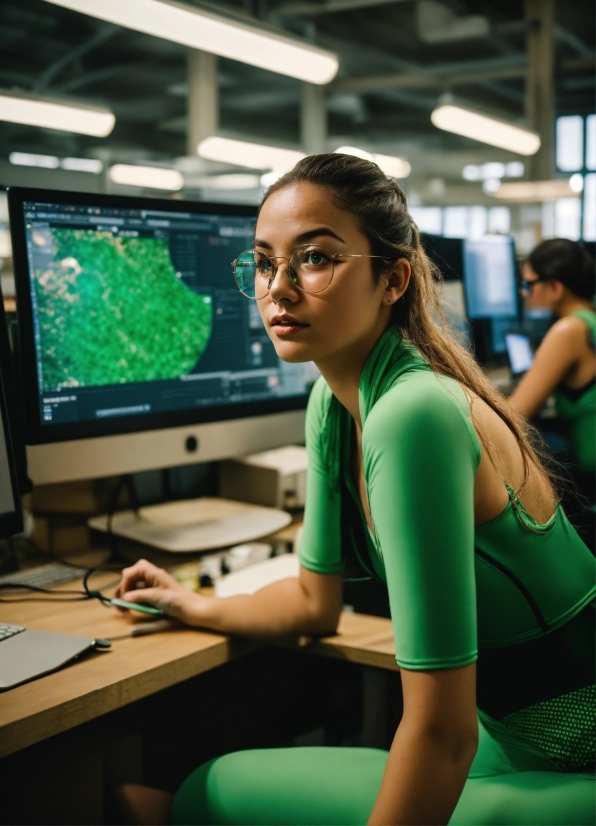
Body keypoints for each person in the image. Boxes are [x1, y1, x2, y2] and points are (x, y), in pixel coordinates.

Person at [115, 155, 595, 826]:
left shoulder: (413, 413)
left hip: (576, 756)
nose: (278, 290)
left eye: (314, 258)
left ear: (392, 278)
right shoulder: (333, 403)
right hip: (515, 739)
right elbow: (315, 603)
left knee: (205, 793)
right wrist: (188, 602)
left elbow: (440, 733)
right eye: (263, 262)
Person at [509, 239, 595, 504]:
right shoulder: (589, 318)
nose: (525, 293)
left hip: (590, 487)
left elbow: (515, 413)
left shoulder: (568, 330)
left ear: (555, 287)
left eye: (529, 284)